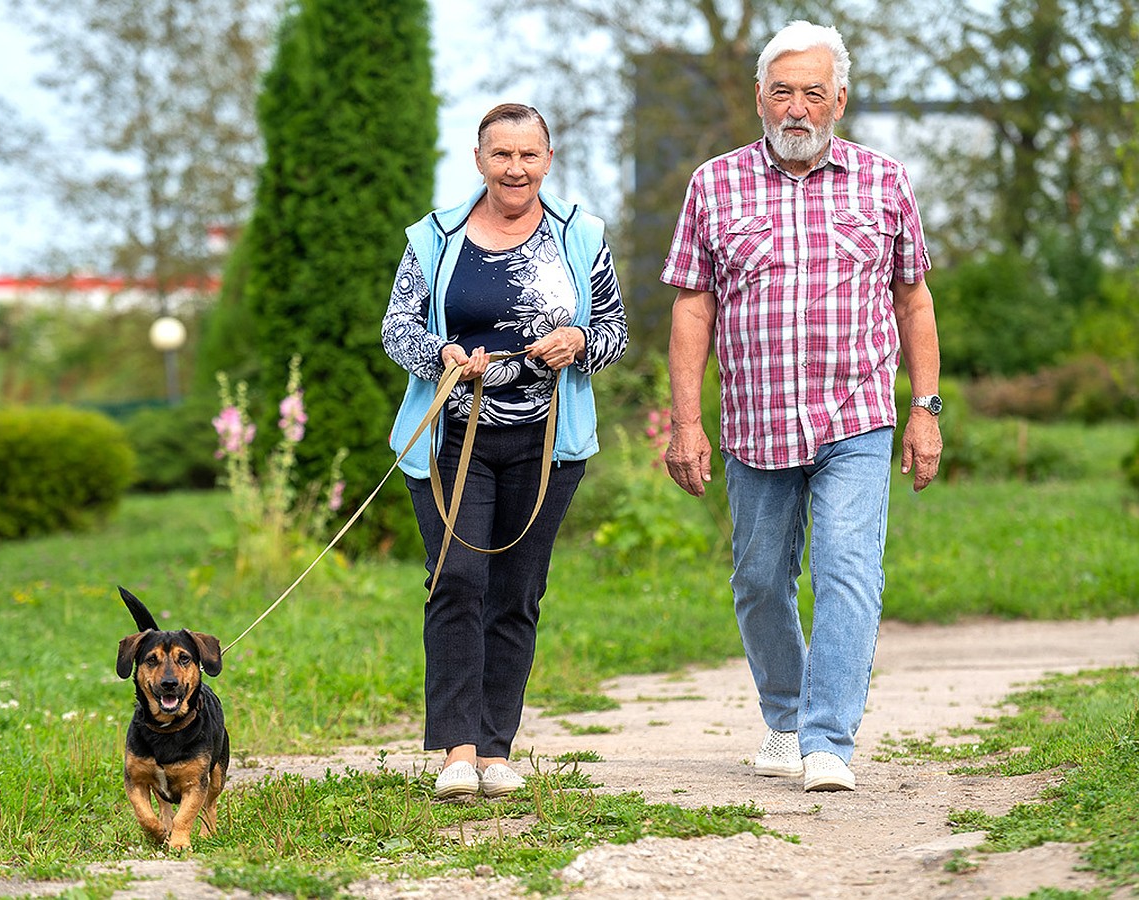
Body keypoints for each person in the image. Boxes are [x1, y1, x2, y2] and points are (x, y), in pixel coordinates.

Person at [660, 21, 942, 792]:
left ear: (839, 101)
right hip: (754, 425)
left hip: (856, 416)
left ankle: (828, 740)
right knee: (757, 581)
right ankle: (785, 717)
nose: (795, 107)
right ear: (759, 96)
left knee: (849, 571)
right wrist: (687, 422)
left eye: (812, 92)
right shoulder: (713, 184)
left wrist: (927, 408)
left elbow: (913, 301)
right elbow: (692, 308)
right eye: (781, 90)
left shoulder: (884, 180)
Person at [383, 103, 628, 800]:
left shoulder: (582, 236)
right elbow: (396, 328)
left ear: (547, 159)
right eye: (501, 156)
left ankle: (496, 749)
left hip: (549, 444)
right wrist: (442, 354)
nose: (515, 169)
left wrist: (579, 342)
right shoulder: (435, 238)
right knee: (457, 580)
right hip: (450, 439)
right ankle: (457, 750)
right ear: (479, 159)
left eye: (528, 155)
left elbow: (612, 329)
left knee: (517, 592)